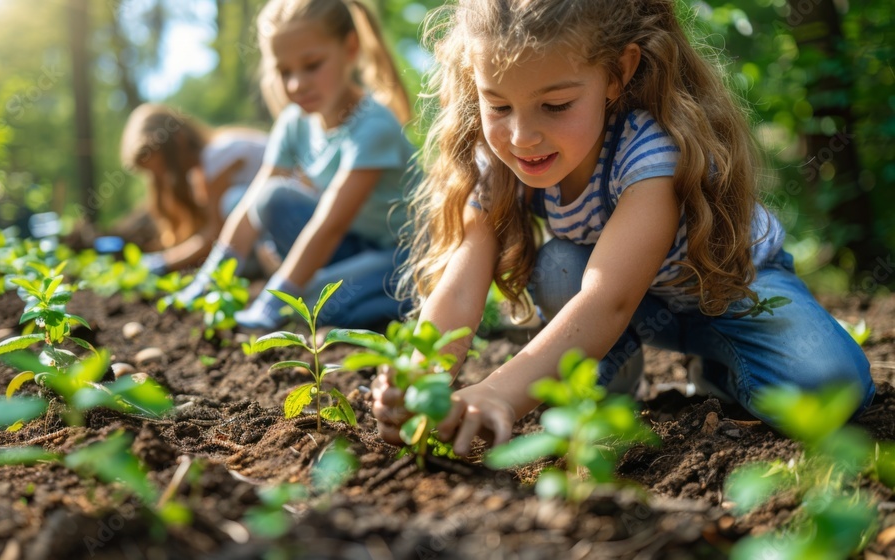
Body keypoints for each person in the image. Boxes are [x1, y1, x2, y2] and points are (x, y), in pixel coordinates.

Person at [371, 0, 874, 456]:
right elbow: (461, 285)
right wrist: (421, 378)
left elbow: (608, 297)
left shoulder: (650, 152)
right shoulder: (496, 162)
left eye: (556, 105)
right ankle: (606, 398)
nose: (522, 136)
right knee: (560, 264)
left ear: (618, 73)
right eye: (498, 105)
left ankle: (721, 368)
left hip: (729, 286)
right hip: (629, 306)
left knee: (831, 389)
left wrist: (497, 391)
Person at [173, 0, 418, 330]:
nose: (296, 85)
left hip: (403, 257)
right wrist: (212, 276)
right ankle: (343, 292)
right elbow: (255, 200)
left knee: (314, 304)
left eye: (312, 65)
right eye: (284, 71)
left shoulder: (373, 126)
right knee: (270, 198)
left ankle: (413, 302)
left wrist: (276, 296)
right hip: (353, 246)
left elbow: (330, 223)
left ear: (350, 48)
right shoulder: (294, 122)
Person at [119, 103, 269, 273]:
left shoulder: (218, 156)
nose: (163, 179)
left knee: (232, 202)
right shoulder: (201, 171)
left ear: (179, 141)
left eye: (163, 168)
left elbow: (217, 232)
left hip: (295, 217)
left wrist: (164, 263)